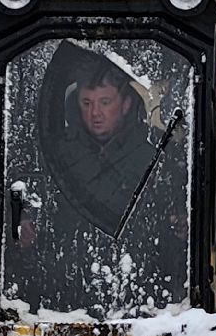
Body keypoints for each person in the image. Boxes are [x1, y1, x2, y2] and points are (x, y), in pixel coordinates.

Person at [58, 59, 163, 234]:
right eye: (86, 103)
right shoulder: (60, 153)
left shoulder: (153, 155)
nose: (95, 112)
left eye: (105, 102)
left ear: (126, 104)